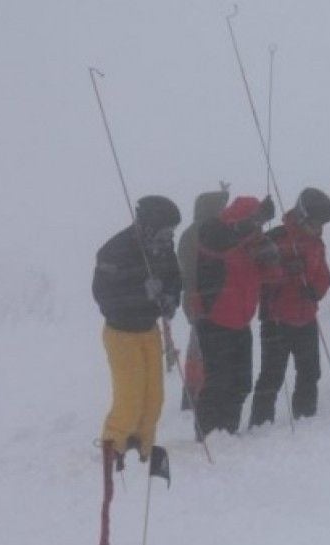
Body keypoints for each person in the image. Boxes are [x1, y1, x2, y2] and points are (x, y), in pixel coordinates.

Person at [93, 195, 182, 465]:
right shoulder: (114, 250)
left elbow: (175, 279)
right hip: (121, 333)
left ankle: (143, 444)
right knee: (130, 396)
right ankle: (113, 446)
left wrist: (168, 299)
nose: (168, 238)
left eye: (171, 232)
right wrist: (141, 293)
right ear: (147, 226)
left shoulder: (164, 249)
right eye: (164, 231)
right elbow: (104, 298)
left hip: (148, 330)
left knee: (154, 396)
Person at [194, 195, 277, 437]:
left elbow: (270, 277)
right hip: (214, 321)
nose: (258, 227)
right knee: (217, 383)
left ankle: (228, 430)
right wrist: (251, 226)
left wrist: (271, 259)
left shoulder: (251, 240)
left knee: (241, 384)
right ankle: (208, 434)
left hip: (241, 322)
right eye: (254, 220)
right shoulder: (214, 231)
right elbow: (222, 242)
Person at [250, 189, 330, 426]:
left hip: (306, 317)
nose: (319, 229)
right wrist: (286, 270)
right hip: (276, 319)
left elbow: (324, 275)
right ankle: (260, 425)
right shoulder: (276, 237)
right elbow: (260, 275)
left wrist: (315, 291)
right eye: (315, 223)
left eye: (322, 225)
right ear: (302, 216)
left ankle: (306, 417)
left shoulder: (317, 243)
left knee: (310, 372)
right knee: (272, 377)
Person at [176, 186, 229, 411]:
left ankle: (195, 391)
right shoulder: (202, 234)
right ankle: (195, 393)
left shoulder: (192, 233)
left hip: (198, 298)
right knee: (201, 348)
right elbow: (192, 271)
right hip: (202, 298)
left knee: (198, 346)